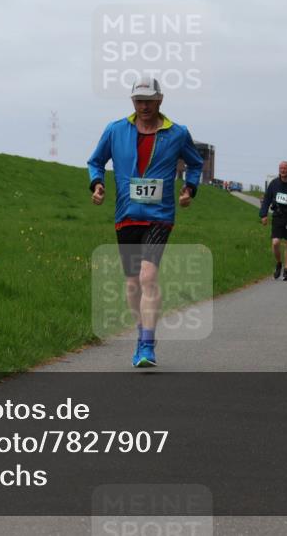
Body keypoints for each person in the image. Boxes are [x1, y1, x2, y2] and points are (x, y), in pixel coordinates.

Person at [88, 75, 203, 368]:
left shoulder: (177, 133)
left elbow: (195, 163)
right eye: (139, 101)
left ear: (160, 100)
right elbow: (96, 161)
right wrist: (97, 184)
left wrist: (189, 189)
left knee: (148, 277)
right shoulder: (115, 130)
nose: (144, 106)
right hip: (127, 216)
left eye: (149, 101)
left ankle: (148, 345)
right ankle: (141, 333)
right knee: (131, 284)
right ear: (133, 102)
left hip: (159, 216)